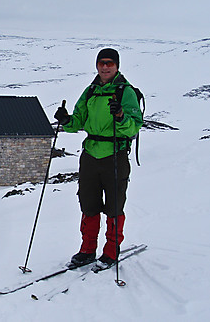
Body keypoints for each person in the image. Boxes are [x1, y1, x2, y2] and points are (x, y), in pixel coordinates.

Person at [54, 48, 143, 269]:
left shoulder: (126, 92)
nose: (105, 67)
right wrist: (66, 120)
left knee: (114, 204)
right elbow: (78, 121)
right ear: (97, 65)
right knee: (88, 203)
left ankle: (111, 251)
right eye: (102, 63)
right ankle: (87, 250)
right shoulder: (90, 91)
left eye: (109, 63)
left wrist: (121, 116)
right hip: (90, 154)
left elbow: (134, 125)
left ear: (117, 66)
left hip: (115, 153)